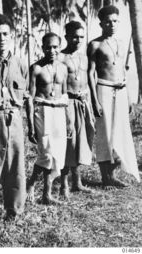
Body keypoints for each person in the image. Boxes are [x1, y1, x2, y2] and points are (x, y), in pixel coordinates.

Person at [0, 14, 35, 226]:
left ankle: (15, 210)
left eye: (5, 34)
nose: (1, 38)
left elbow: (27, 96)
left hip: (15, 118)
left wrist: (30, 125)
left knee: (16, 167)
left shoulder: (21, 64)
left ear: (11, 36)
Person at [87, 5, 140, 188]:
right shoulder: (95, 44)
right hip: (104, 90)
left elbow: (124, 71)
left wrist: (130, 97)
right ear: (101, 23)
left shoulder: (122, 41)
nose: (112, 25)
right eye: (108, 22)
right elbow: (90, 74)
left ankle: (113, 174)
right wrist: (94, 100)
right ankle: (105, 178)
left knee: (121, 132)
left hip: (122, 90)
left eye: (115, 21)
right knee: (105, 133)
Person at [27, 32, 69, 205]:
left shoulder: (64, 68)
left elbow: (66, 96)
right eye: (48, 47)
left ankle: (46, 193)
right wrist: (30, 125)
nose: (51, 50)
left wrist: (70, 120)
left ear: (59, 47)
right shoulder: (36, 68)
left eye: (55, 46)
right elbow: (29, 98)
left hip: (59, 110)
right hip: (42, 110)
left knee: (57, 154)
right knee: (46, 152)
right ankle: (33, 186)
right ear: (42, 48)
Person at [59, 21, 95, 198]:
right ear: (66, 37)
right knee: (69, 143)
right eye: (74, 36)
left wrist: (90, 103)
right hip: (68, 103)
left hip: (83, 103)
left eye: (81, 37)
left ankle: (77, 181)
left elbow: (88, 81)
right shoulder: (60, 58)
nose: (78, 40)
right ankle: (64, 185)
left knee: (82, 142)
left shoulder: (84, 57)